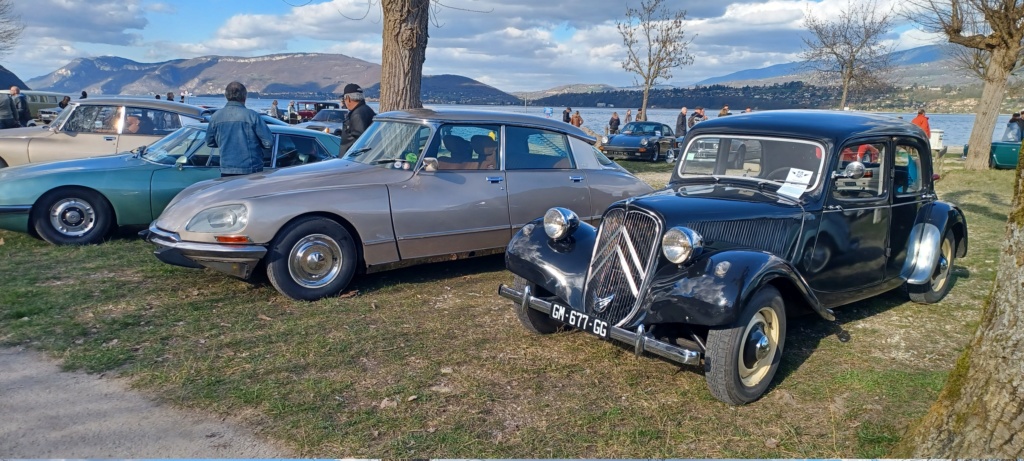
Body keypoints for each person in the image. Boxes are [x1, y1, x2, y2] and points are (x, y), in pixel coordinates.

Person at [204, 81, 273, 177]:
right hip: (251, 169)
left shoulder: (216, 117)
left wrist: (225, 143)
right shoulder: (252, 116)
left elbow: (209, 142)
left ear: (226, 96)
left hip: (227, 168)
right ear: (244, 97)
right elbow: (268, 142)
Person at [338, 83, 376, 155]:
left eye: (344, 99)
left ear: (348, 99)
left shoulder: (357, 114)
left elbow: (359, 140)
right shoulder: (367, 110)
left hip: (353, 159)